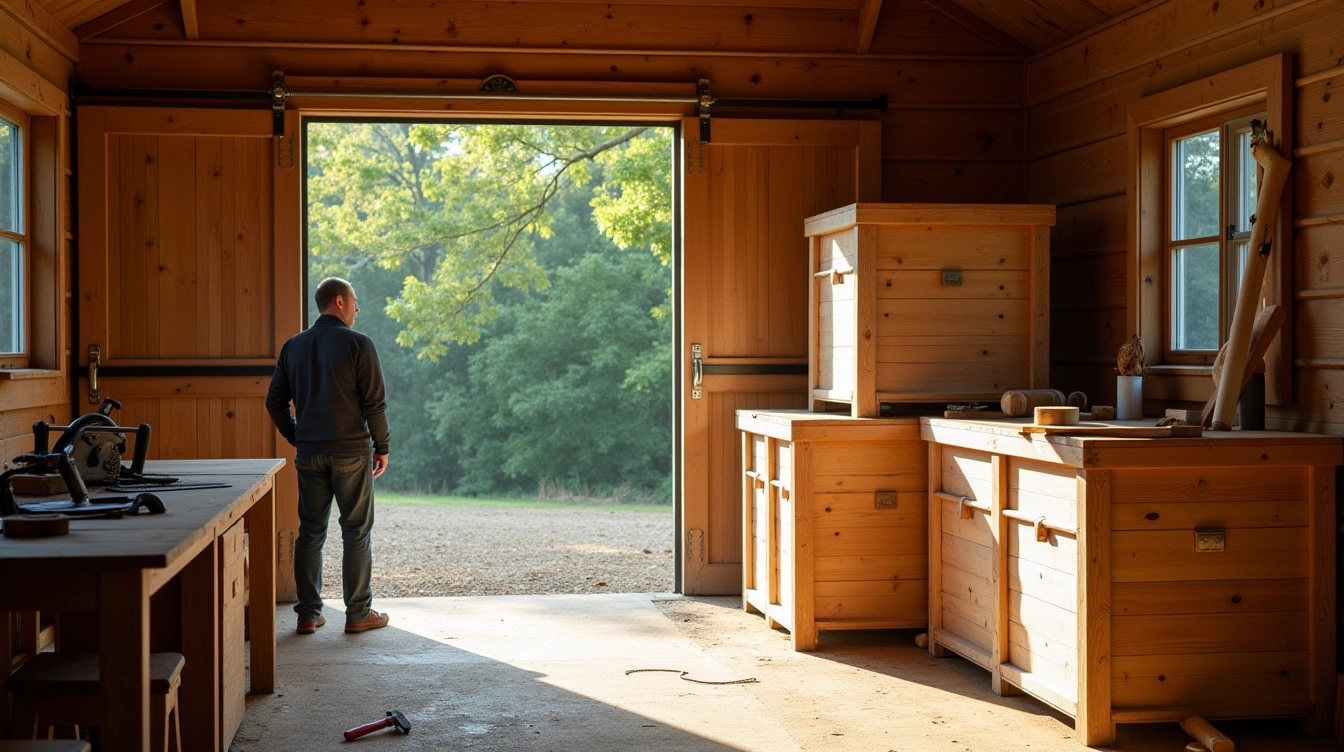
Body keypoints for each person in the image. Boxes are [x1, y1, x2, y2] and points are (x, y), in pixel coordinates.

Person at [266, 277, 391, 634]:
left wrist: (297, 436)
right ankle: (358, 613)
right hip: (351, 452)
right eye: (354, 301)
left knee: (310, 532)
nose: (357, 308)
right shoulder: (359, 344)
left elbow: (274, 401)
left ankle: (308, 614)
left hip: (310, 453)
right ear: (339, 301)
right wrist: (382, 446)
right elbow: (374, 403)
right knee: (356, 533)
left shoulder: (294, 346)